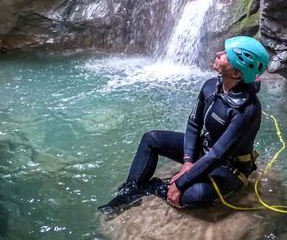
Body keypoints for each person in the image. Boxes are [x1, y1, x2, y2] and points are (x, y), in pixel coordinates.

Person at [97, 36, 268, 215]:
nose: (218, 53)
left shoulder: (247, 111)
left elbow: (218, 155)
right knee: (151, 139)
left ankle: (156, 188)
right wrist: (188, 161)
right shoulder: (211, 86)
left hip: (228, 166)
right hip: (205, 149)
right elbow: (194, 124)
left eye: (226, 54)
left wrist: (180, 183)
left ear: (236, 73)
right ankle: (130, 191)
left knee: (198, 195)